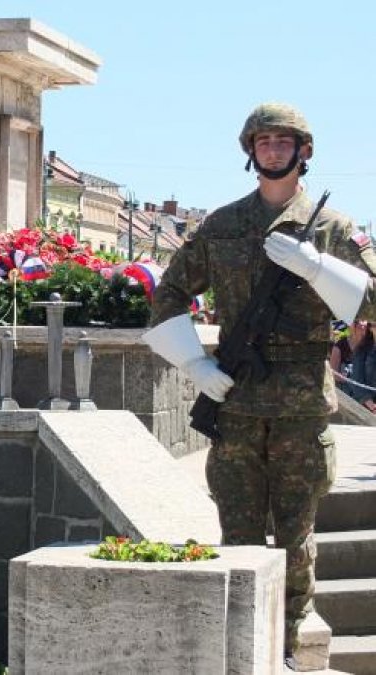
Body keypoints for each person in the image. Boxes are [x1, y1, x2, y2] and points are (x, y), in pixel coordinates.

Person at [141, 102, 376, 667]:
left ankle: (292, 650)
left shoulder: (333, 229)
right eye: (264, 140)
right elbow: (166, 298)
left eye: (283, 141)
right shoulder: (221, 226)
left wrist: (317, 266)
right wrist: (197, 366)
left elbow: (372, 301)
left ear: (304, 151)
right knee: (239, 535)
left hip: (300, 408)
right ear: (251, 151)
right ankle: (244, 651)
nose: (273, 149)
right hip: (237, 403)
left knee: (296, 539)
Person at [347, 320, 376, 412]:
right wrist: (372, 406)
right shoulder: (361, 350)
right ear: (370, 327)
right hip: (370, 407)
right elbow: (356, 380)